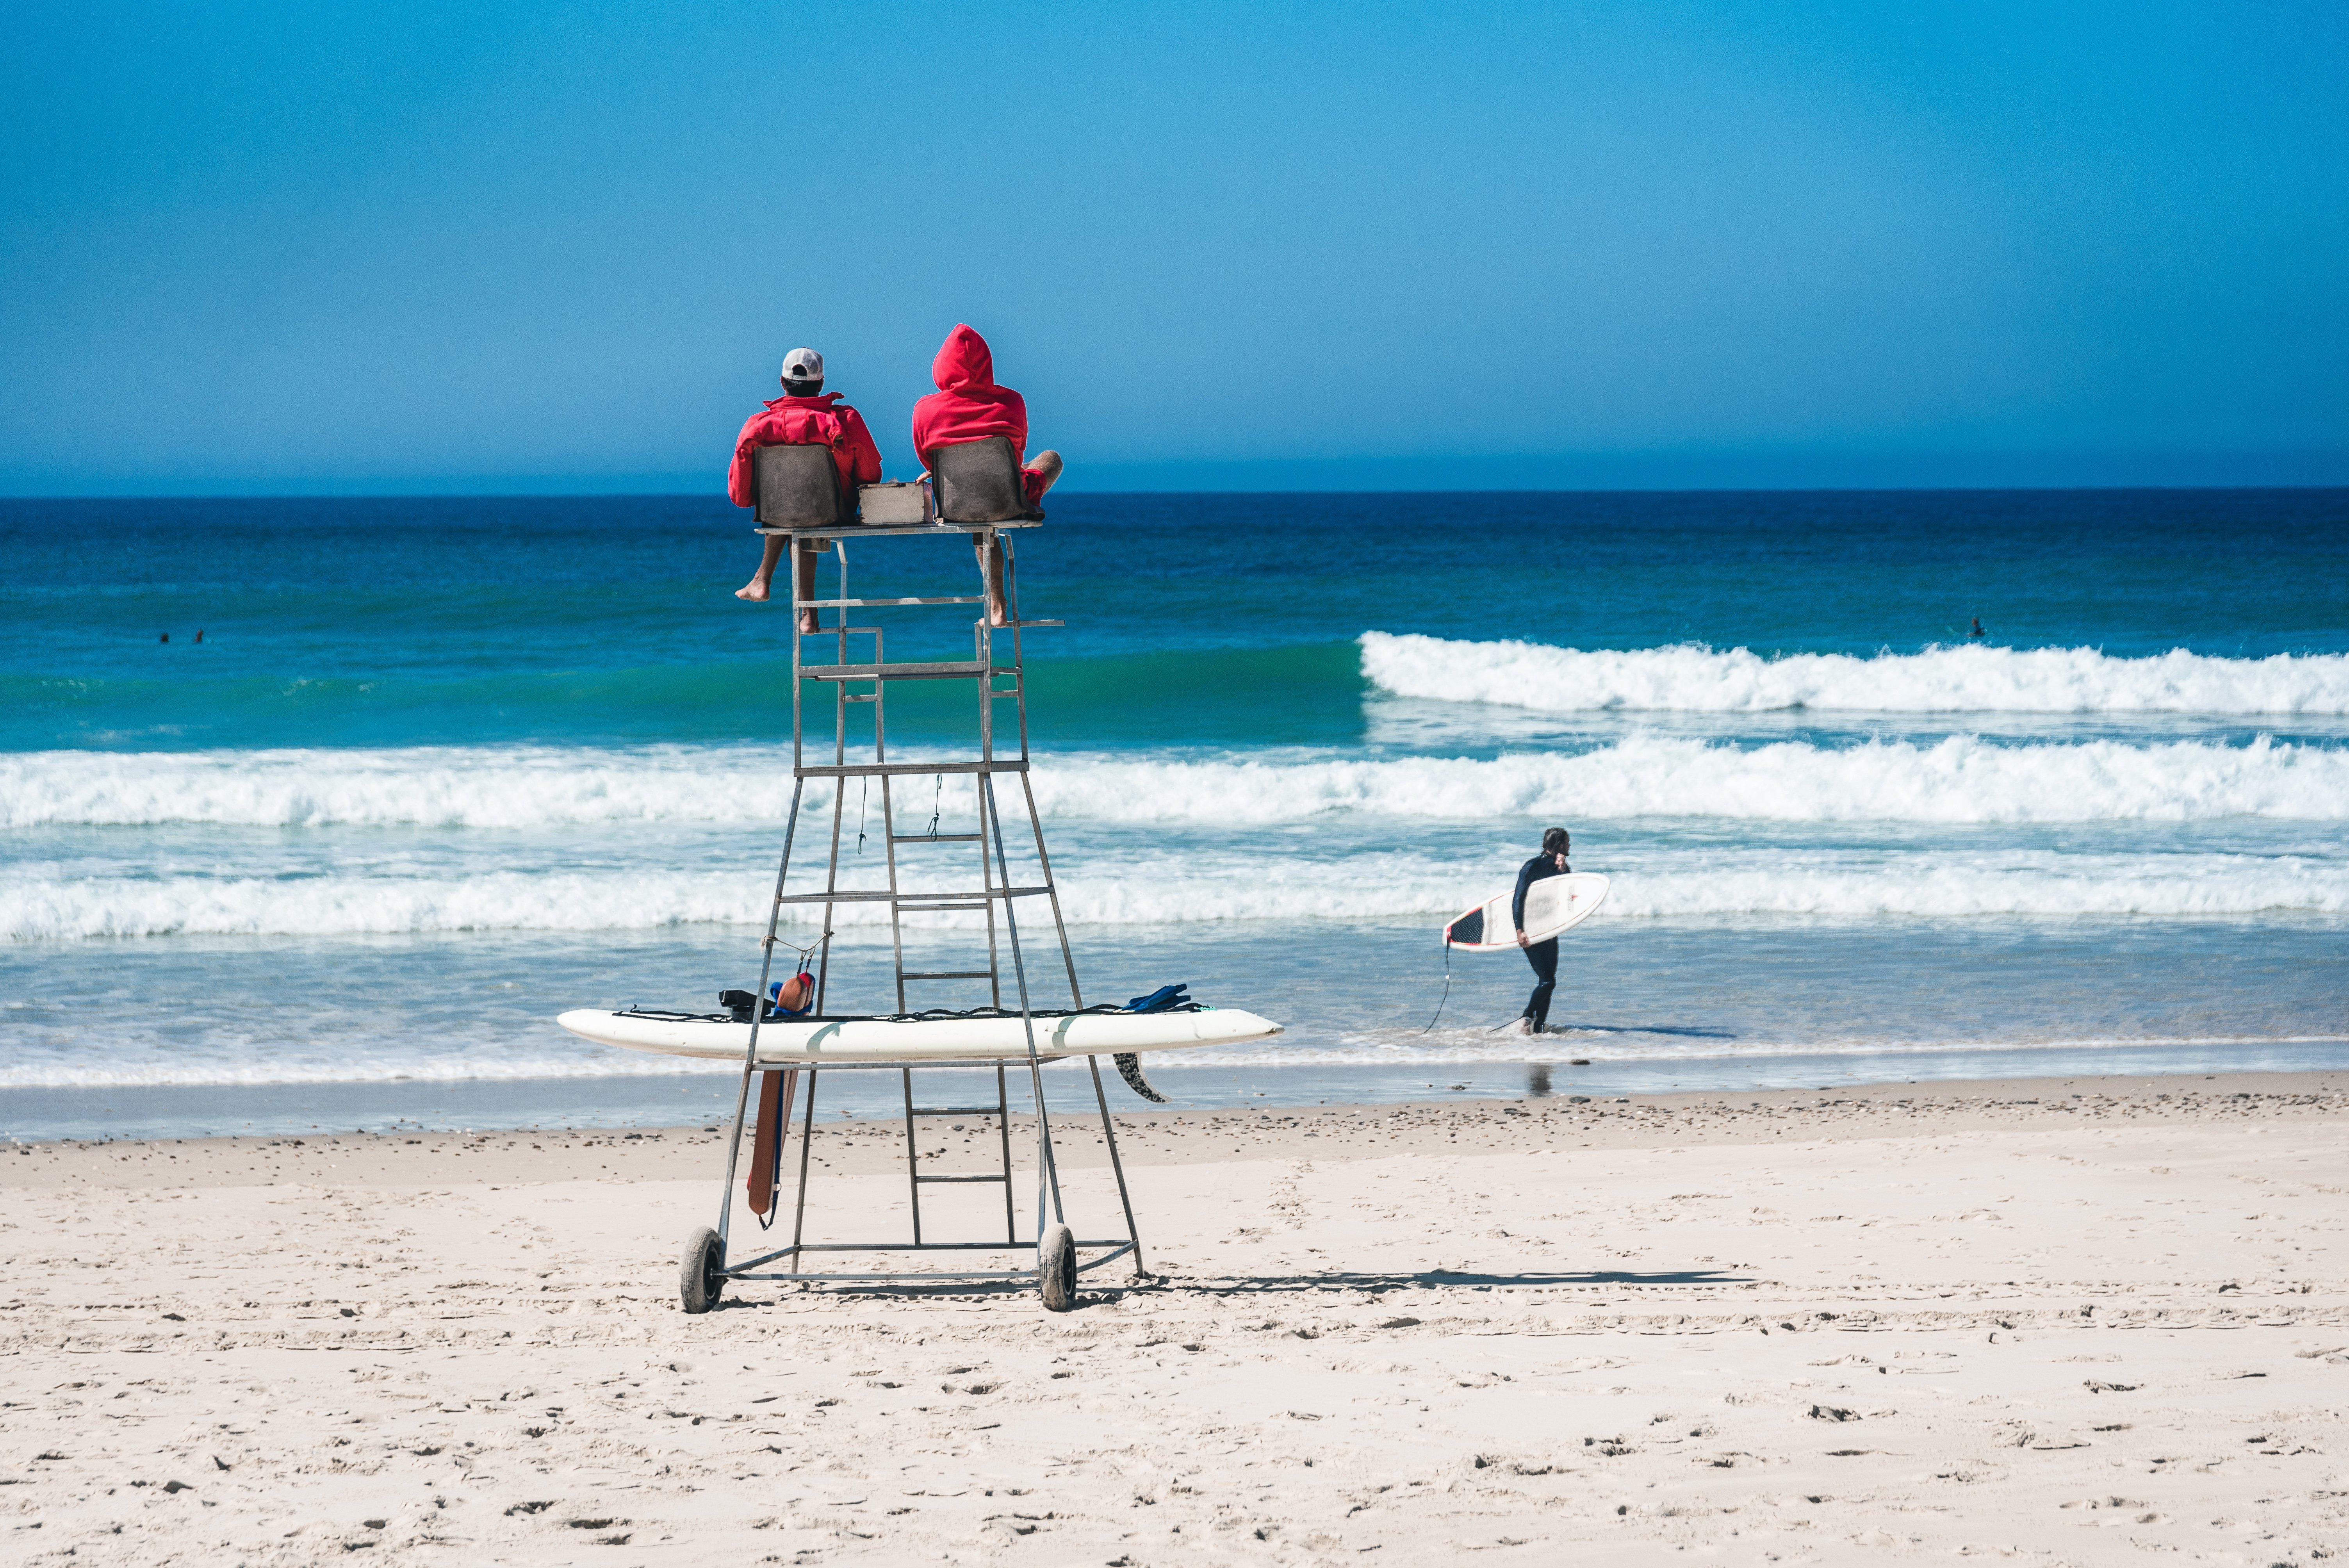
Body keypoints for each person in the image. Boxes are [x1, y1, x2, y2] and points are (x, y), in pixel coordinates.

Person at [911, 324, 1063, 627]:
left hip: (956, 502)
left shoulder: (925, 410)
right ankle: (998, 604)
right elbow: (1019, 448)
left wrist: (948, 465)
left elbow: (926, 455)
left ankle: (996, 604)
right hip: (1007, 496)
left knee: (979, 516)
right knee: (1051, 458)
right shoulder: (1012, 402)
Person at [727, 347, 884, 632]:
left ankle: (767, 583)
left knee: (786, 511)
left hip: (778, 514)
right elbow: (871, 475)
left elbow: (740, 496)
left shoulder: (756, 426)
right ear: (821, 384)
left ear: (783, 383)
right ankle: (807, 614)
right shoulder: (846, 420)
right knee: (804, 512)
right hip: (833, 512)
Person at [1512, 826, 1572, 1034]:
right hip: (1531, 931)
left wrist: (1564, 869)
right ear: (1557, 845)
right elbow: (1517, 899)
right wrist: (1519, 930)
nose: (1570, 845)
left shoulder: (1561, 867)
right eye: (1566, 842)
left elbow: (1569, 892)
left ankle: (1538, 1030)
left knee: (1549, 982)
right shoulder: (1531, 867)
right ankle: (1527, 1017)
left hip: (1549, 931)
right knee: (1548, 981)